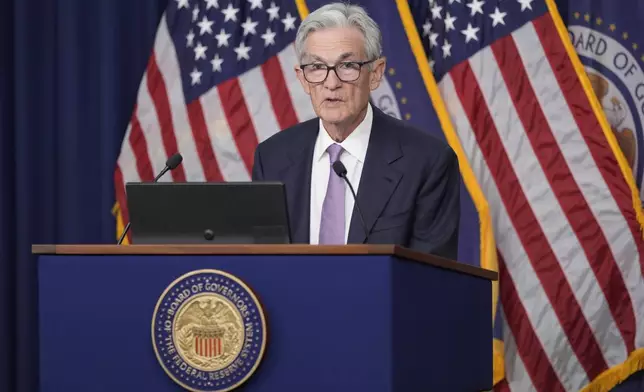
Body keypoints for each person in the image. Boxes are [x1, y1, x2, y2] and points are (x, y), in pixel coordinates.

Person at [251, 3, 460, 259]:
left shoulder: (427, 162)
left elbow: (429, 280)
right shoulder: (272, 158)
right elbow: (261, 263)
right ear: (303, 78)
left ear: (375, 73)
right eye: (317, 67)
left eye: (347, 65)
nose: (331, 83)